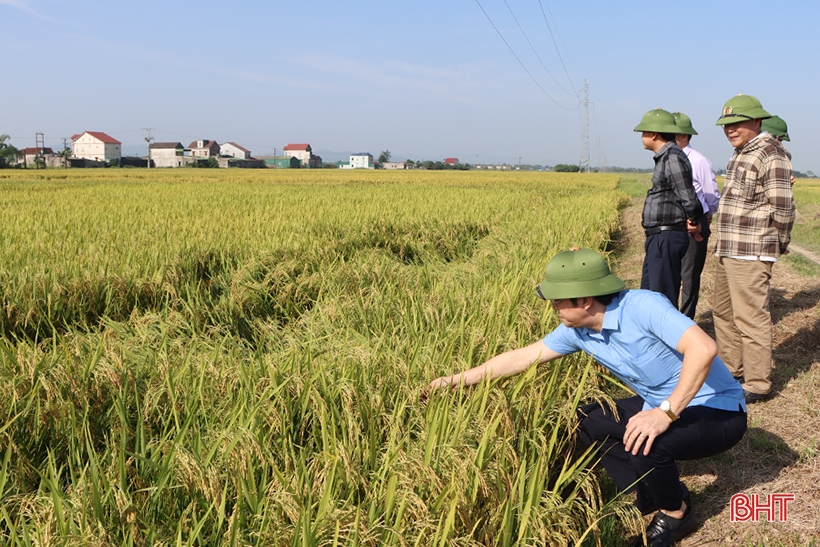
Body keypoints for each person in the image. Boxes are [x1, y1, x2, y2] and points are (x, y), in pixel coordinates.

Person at [426, 249, 747, 547]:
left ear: (585, 300)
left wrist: (664, 413)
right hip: (661, 405)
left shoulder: (643, 306)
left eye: (557, 300)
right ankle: (652, 494)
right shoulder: (578, 331)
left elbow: (703, 348)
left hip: (716, 409)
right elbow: (522, 358)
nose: (552, 307)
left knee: (647, 439)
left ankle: (677, 514)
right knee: (588, 418)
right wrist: (454, 382)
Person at [713, 95, 795, 403]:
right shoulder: (741, 152)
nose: (730, 130)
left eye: (737, 123)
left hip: (751, 249)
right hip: (729, 247)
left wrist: (779, 241)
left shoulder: (771, 153)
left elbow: (783, 206)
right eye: (726, 125)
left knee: (750, 317)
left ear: (756, 121)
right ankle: (731, 368)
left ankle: (758, 383)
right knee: (723, 312)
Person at [634, 109, 703, 309]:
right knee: (650, 295)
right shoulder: (665, 157)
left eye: (643, 132)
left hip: (667, 237)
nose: (642, 137)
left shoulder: (672, 158)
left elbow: (688, 197)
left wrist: (694, 222)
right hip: (659, 237)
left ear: (654, 133)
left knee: (660, 298)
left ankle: (668, 340)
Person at [672, 112, 720, 320]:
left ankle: (685, 321)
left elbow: (711, 195)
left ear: (683, 136)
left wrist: (706, 215)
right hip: (673, 223)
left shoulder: (698, 161)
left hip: (695, 223)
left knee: (689, 276)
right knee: (671, 274)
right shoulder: (668, 159)